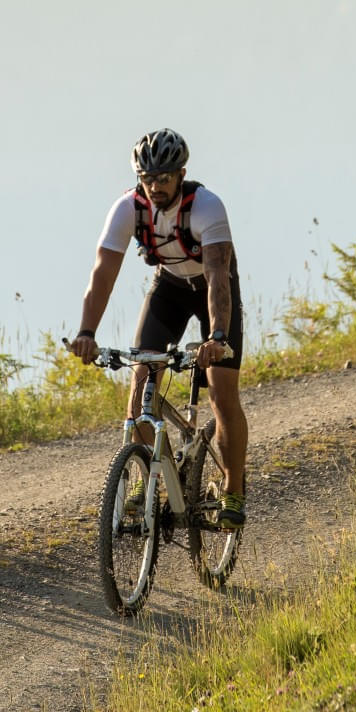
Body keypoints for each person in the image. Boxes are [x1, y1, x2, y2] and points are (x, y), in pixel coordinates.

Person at [70, 128, 248, 529]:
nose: (154, 186)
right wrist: (86, 332)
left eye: (163, 178)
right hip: (168, 288)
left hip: (211, 291)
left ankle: (234, 488)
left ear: (181, 174)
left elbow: (219, 276)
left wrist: (217, 337)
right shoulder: (127, 209)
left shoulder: (207, 207)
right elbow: (102, 274)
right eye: (147, 179)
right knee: (140, 387)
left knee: (221, 394)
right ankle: (142, 482)